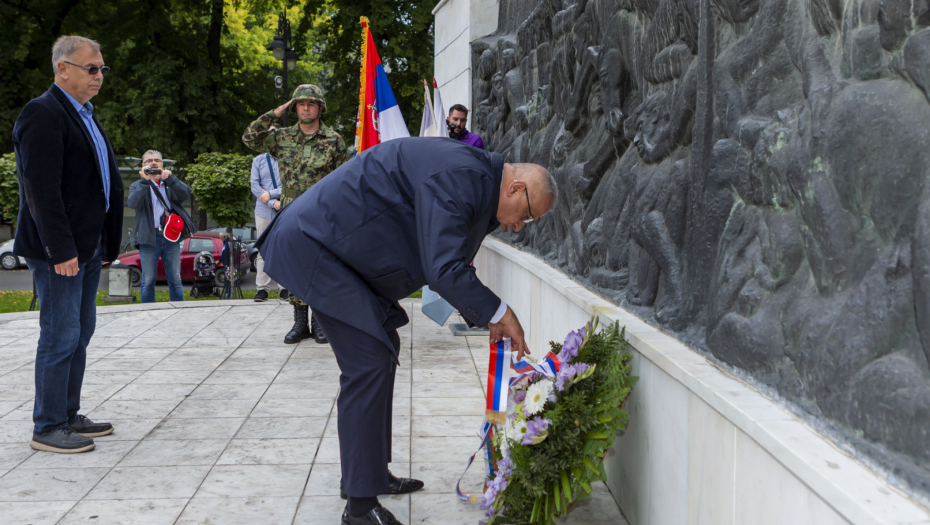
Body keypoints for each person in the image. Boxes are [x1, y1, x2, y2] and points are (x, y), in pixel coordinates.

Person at [257, 137, 557, 525]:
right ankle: (360, 509)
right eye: (527, 216)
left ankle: (368, 474)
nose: (518, 227)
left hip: (339, 253)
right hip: (315, 246)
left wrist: (487, 313)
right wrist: (501, 312)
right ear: (516, 188)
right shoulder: (464, 177)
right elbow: (443, 268)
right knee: (368, 363)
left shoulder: (477, 182)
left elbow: (448, 257)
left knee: (381, 351)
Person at [11, 35, 123, 454]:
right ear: (63, 69)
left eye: (101, 69)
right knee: (59, 335)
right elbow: (42, 191)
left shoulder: (85, 114)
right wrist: (62, 251)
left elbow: (99, 182)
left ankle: (68, 413)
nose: (99, 76)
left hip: (88, 246)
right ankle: (48, 425)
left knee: (81, 331)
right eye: (90, 68)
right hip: (61, 250)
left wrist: (104, 242)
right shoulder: (42, 114)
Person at [243, 84, 349, 344]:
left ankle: (320, 322)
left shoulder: (334, 140)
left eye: (311, 104)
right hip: (291, 211)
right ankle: (300, 321)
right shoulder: (282, 137)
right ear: (295, 107)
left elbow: (344, 179)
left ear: (320, 108)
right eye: (300, 103)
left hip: (322, 210)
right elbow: (249, 138)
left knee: (322, 267)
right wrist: (275, 114)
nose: (305, 107)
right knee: (296, 267)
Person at [126, 150, 191, 303]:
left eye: (157, 160)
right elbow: (133, 203)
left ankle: (179, 311)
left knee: (175, 278)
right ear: (143, 166)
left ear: (162, 164)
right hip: (149, 237)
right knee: (148, 280)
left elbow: (186, 194)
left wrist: (172, 179)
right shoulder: (138, 185)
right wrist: (145, 181)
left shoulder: (168, 184)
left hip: (171, 236)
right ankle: (149, 312)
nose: (153, 163)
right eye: (149, 161)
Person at [249, 145, 288, 302]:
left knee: (283, 248)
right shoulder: (258, 161)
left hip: (284, 208)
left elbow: (289, 184)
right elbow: (254, 186)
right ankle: (262, 289)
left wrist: (271, 194)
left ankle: (284, 287)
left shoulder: (288, 158)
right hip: (263, 211)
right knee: (263, 249)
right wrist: (272, 202)